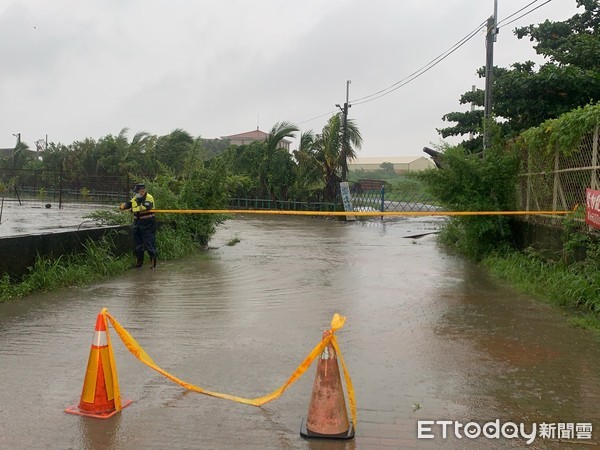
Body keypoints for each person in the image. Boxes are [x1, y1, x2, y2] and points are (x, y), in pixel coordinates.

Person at [120, 183, 157, 269]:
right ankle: (139, 263)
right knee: (138, 245)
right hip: (137, 223)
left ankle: (153, 264)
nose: (136, 193)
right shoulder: (136, 198)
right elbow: (130, 203)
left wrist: (132, 209)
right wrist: (124, 206)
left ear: (142, 191)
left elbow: (145, 207)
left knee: (149, 244)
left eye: (137, 191)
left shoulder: (149, 198)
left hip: (148, 224)